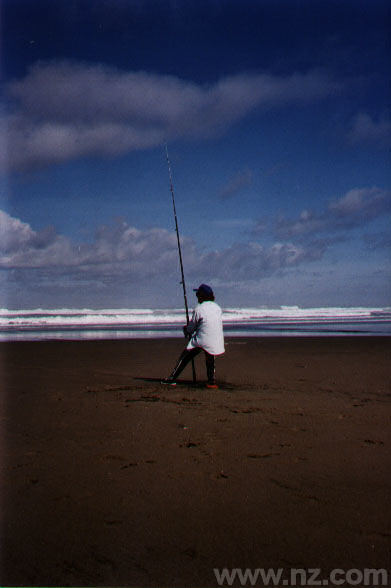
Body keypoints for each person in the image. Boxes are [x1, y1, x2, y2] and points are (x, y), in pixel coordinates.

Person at [161, 284, 225, 388]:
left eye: (198, 295)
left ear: (201, 296)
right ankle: (211, 381)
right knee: (210, 355)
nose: (197, 297)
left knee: (186, 355)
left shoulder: (199, 309)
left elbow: (191, 328)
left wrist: (186, 329)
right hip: (216, 340)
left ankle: (172, 379)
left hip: (202, 339)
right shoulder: (217, 307)